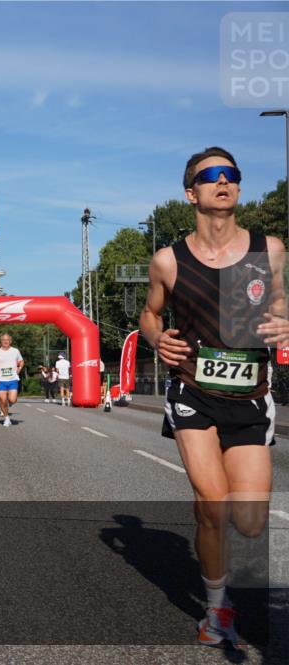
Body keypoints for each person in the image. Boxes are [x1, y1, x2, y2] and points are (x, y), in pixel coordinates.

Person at [140, 146, 283, 649]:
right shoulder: (168, 260)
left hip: (249, 393)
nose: (223, 182)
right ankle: (217, 607)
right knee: (213, 504)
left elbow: (281, 307)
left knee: (249, 520)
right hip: (193, 390)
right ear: (191, 193)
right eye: (211, 176)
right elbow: (150, 315)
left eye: (232, 175)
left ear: (239, 188)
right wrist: (158, 340)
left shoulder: (270, 249)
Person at [0, 333, 24, 427]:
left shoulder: (15, 351)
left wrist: (19, 368)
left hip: (13, 379)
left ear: (10, 341)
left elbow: (21, 361)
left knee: (12, 400)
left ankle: (10, 404)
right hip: (1, 379)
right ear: (1, 341)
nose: (5, 341)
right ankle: (7, 418)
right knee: (3, 400)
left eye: (7, 339)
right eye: (3, 340)